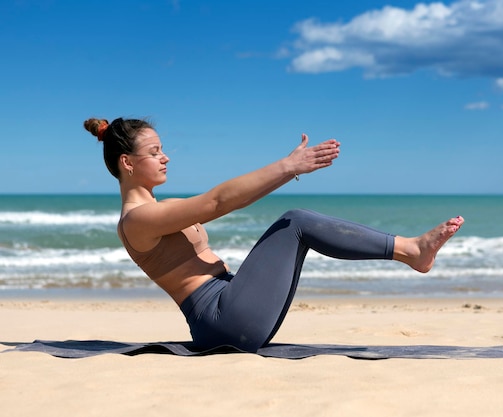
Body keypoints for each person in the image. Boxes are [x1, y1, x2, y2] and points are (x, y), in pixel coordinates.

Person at [84, 117, 464, 352]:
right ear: (128, 162)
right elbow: (218, 202)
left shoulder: (161, 209)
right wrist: (287, 166)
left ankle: (411, 251)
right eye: (155, 151)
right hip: (221, 319)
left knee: (295, 226)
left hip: (228, 308)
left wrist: (290, 172)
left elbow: (231, 200)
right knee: (296, 222)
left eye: (164, 149)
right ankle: (411, 250)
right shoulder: (138, 220)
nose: (165, 156)